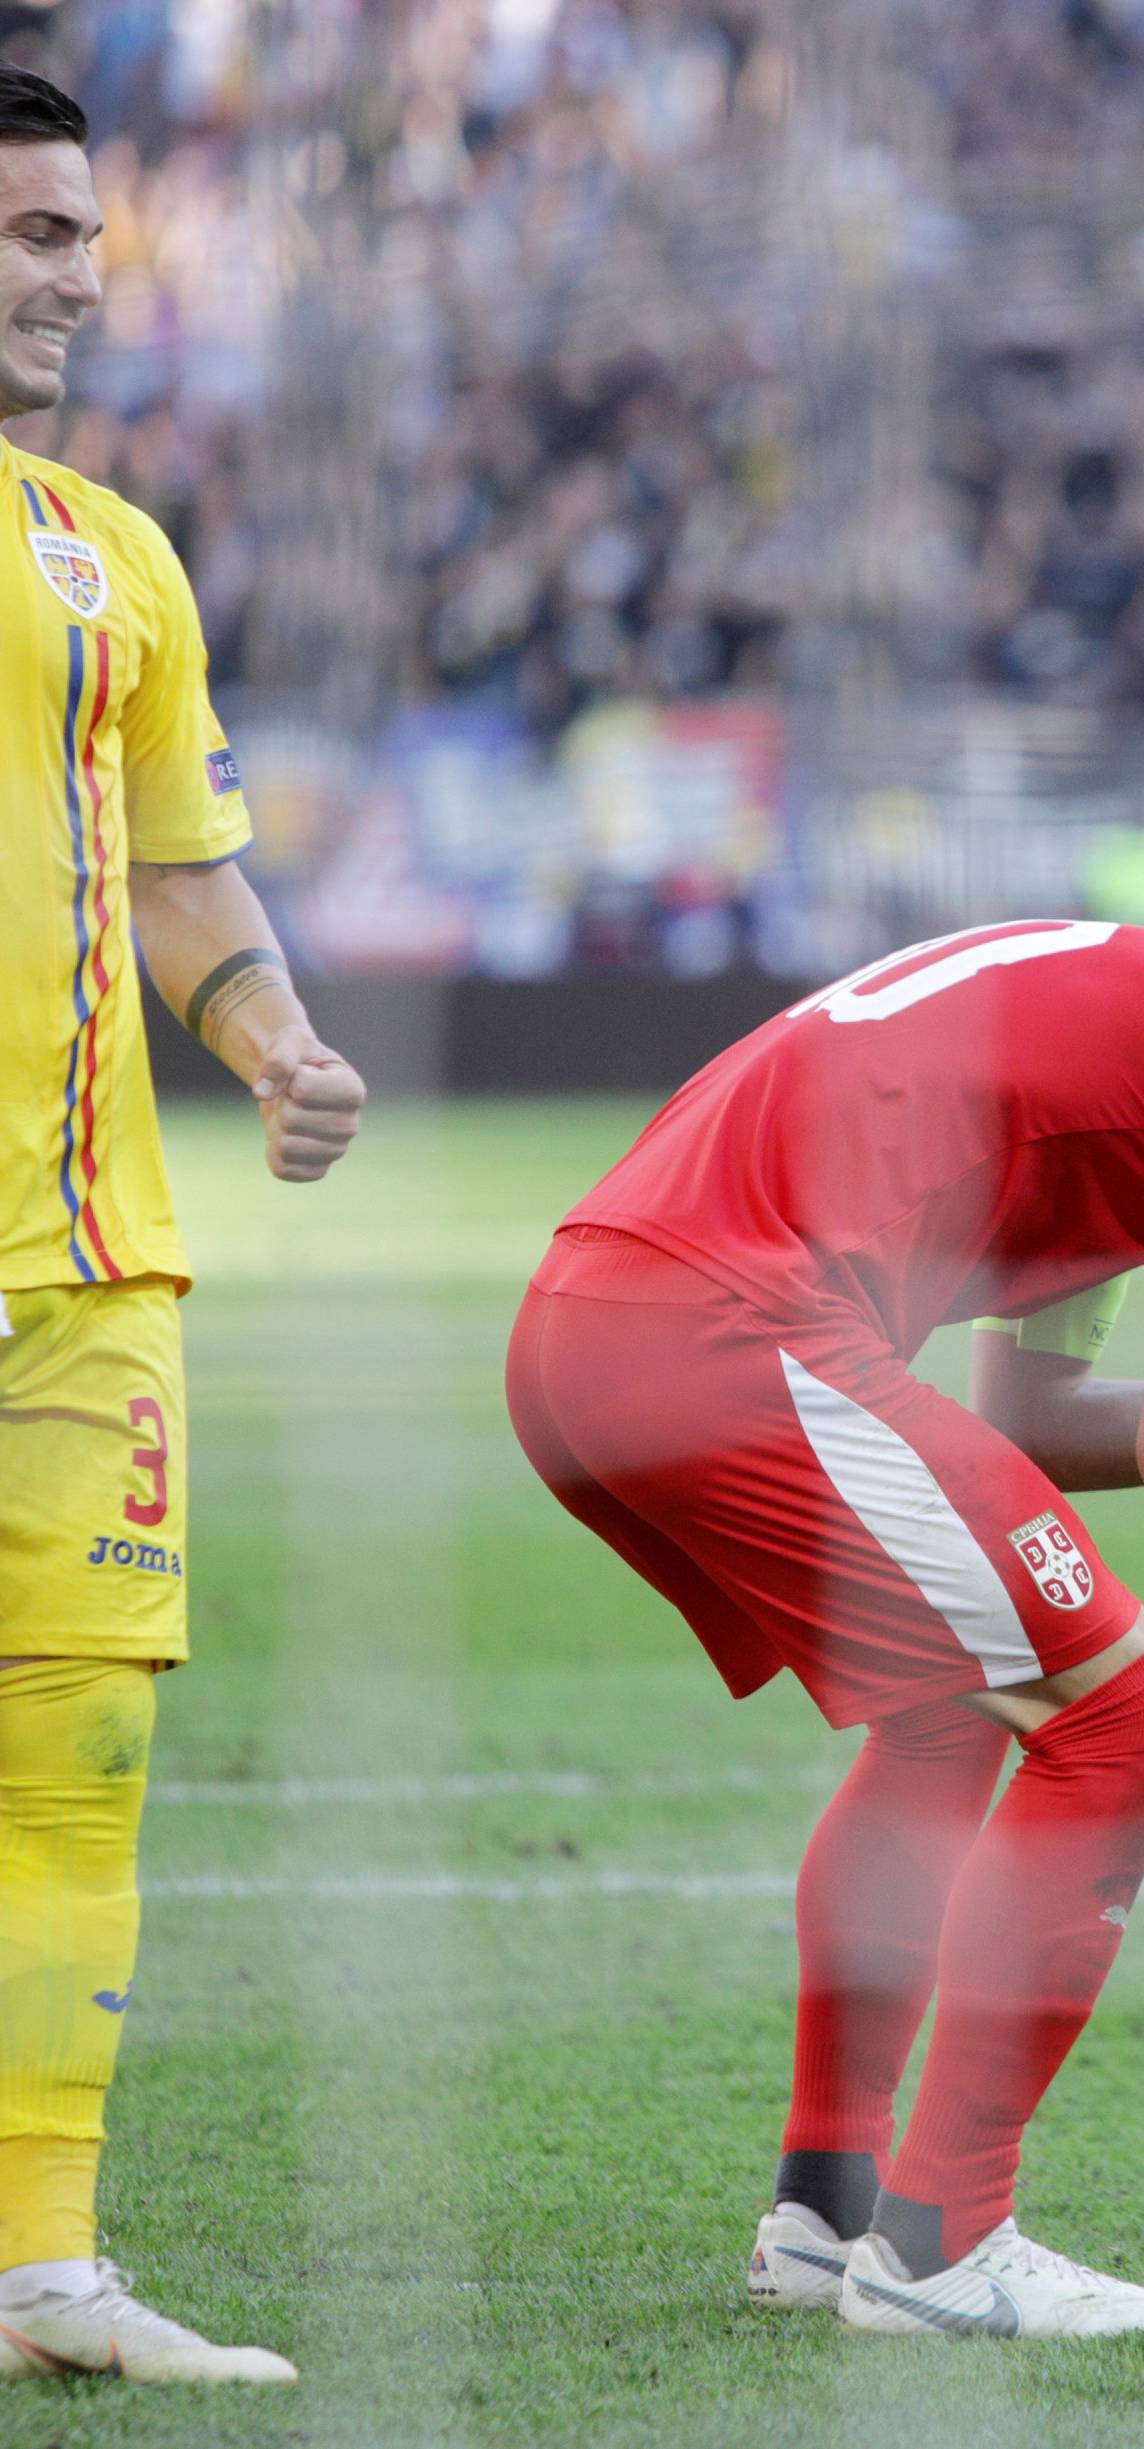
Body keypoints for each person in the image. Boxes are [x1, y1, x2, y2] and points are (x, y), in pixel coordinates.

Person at [508, 918, 1144, 2338]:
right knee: (1136, 1710)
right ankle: (943, 2245)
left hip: (602, 1324)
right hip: (725, 1326)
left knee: (955, 1703)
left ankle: (831, 2213)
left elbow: (1030, 1421)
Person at [0, 67, 366, 2384]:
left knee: (85, 1757)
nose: (74, 274)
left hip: (80, 1266)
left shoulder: (110, 552)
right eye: (32, 233)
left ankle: (43, 2270)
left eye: (81, 239)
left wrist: (276, 1042)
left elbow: (183, 868)